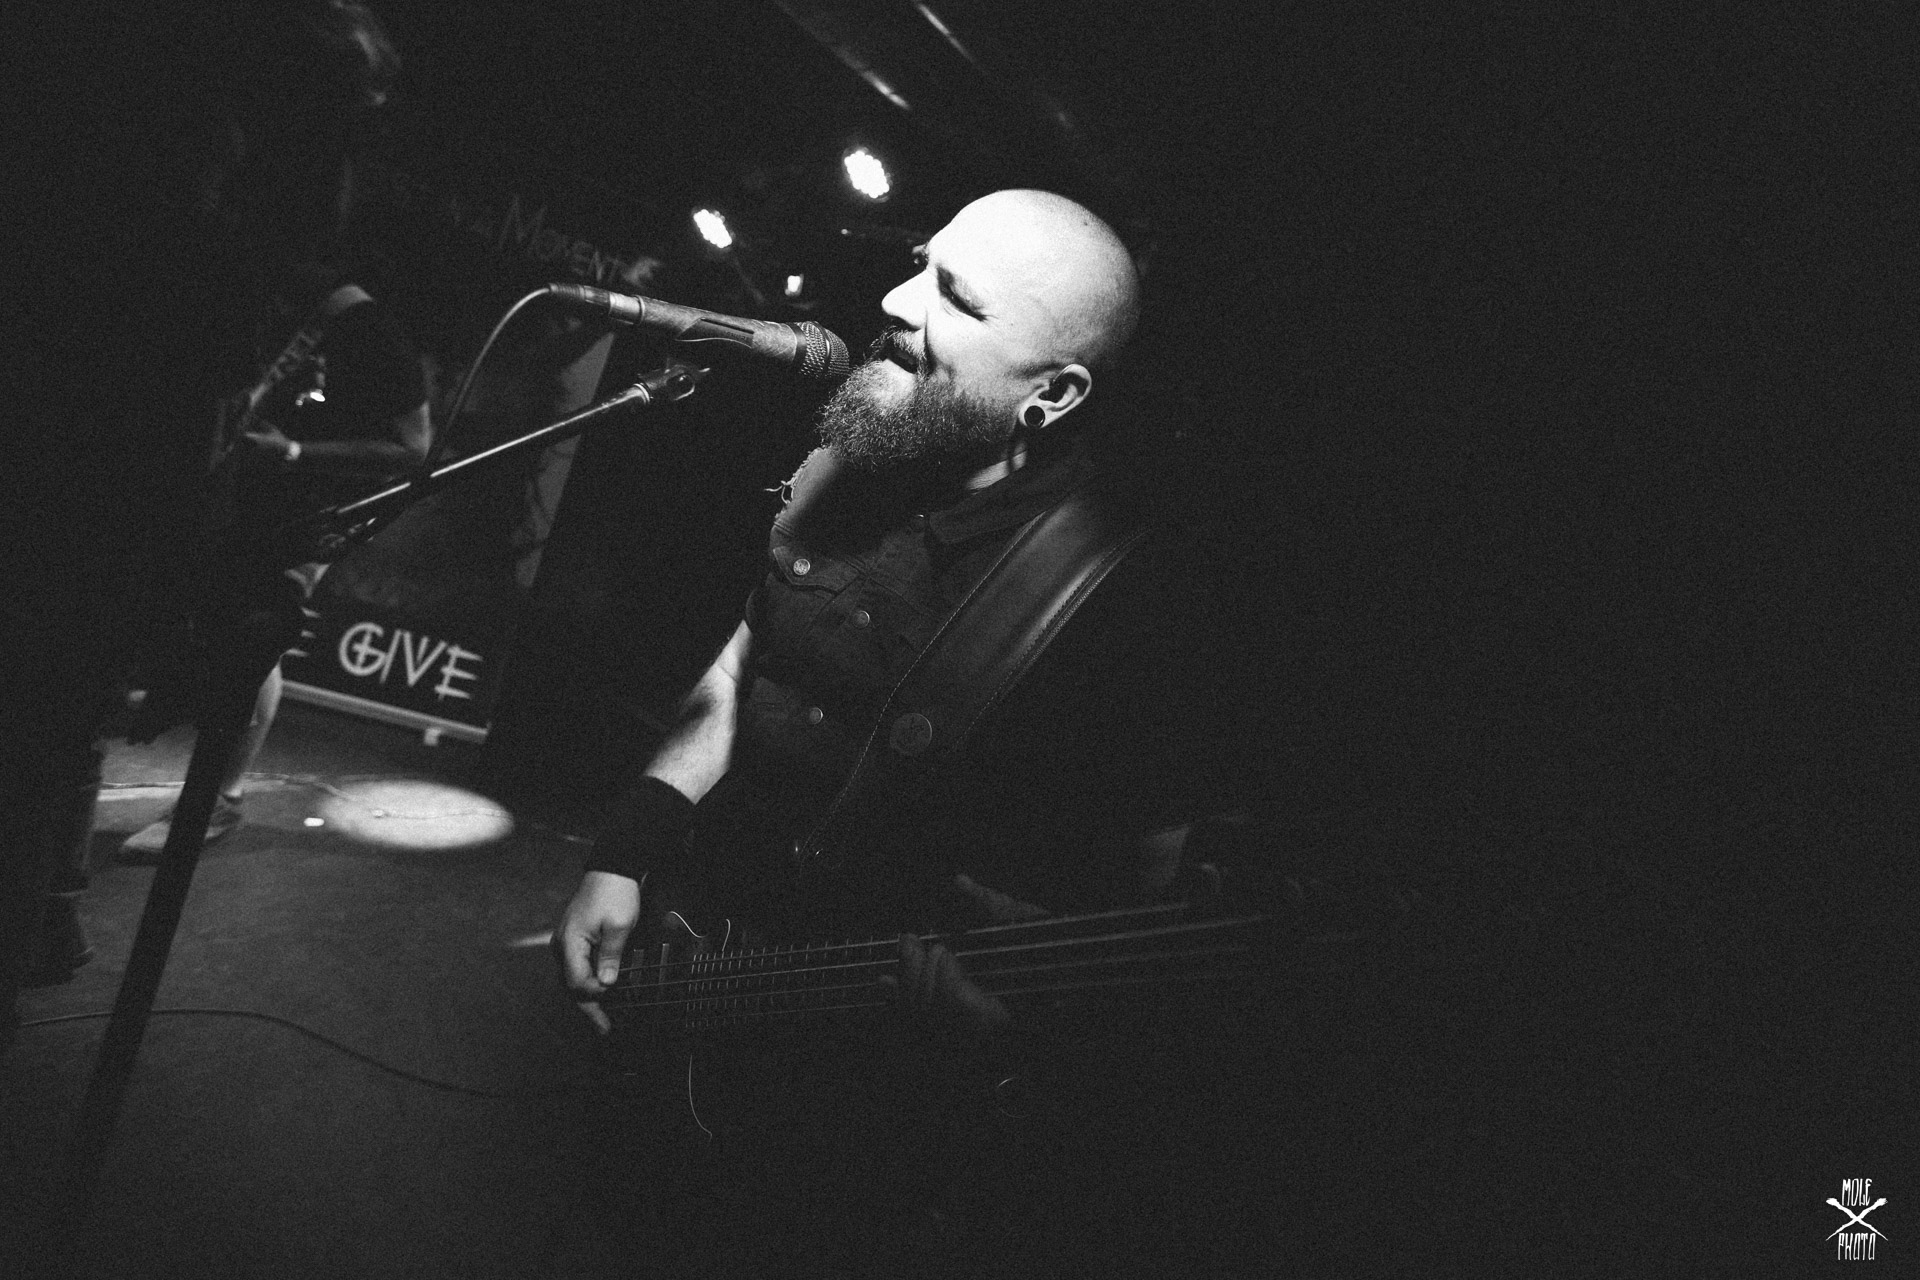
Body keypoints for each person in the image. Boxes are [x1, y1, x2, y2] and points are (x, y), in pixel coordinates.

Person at [552, 189, 1261, 1274]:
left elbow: (1139, 897)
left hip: (864, 1109)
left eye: (956, 299)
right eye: (920, 263)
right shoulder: (850, 451)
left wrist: (1017, 1026)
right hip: (701, 970)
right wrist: (628, 847)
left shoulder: (1121, 606)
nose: (894, 300)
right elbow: (751, 656)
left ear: (1052, 393)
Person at [0, 0, 414, 1036]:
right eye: (329, 140)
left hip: (238, 542)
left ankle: (85, 884)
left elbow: (412, 445)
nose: (338, 185)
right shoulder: (169, 269)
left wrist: (287, 466)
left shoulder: (323, 310)